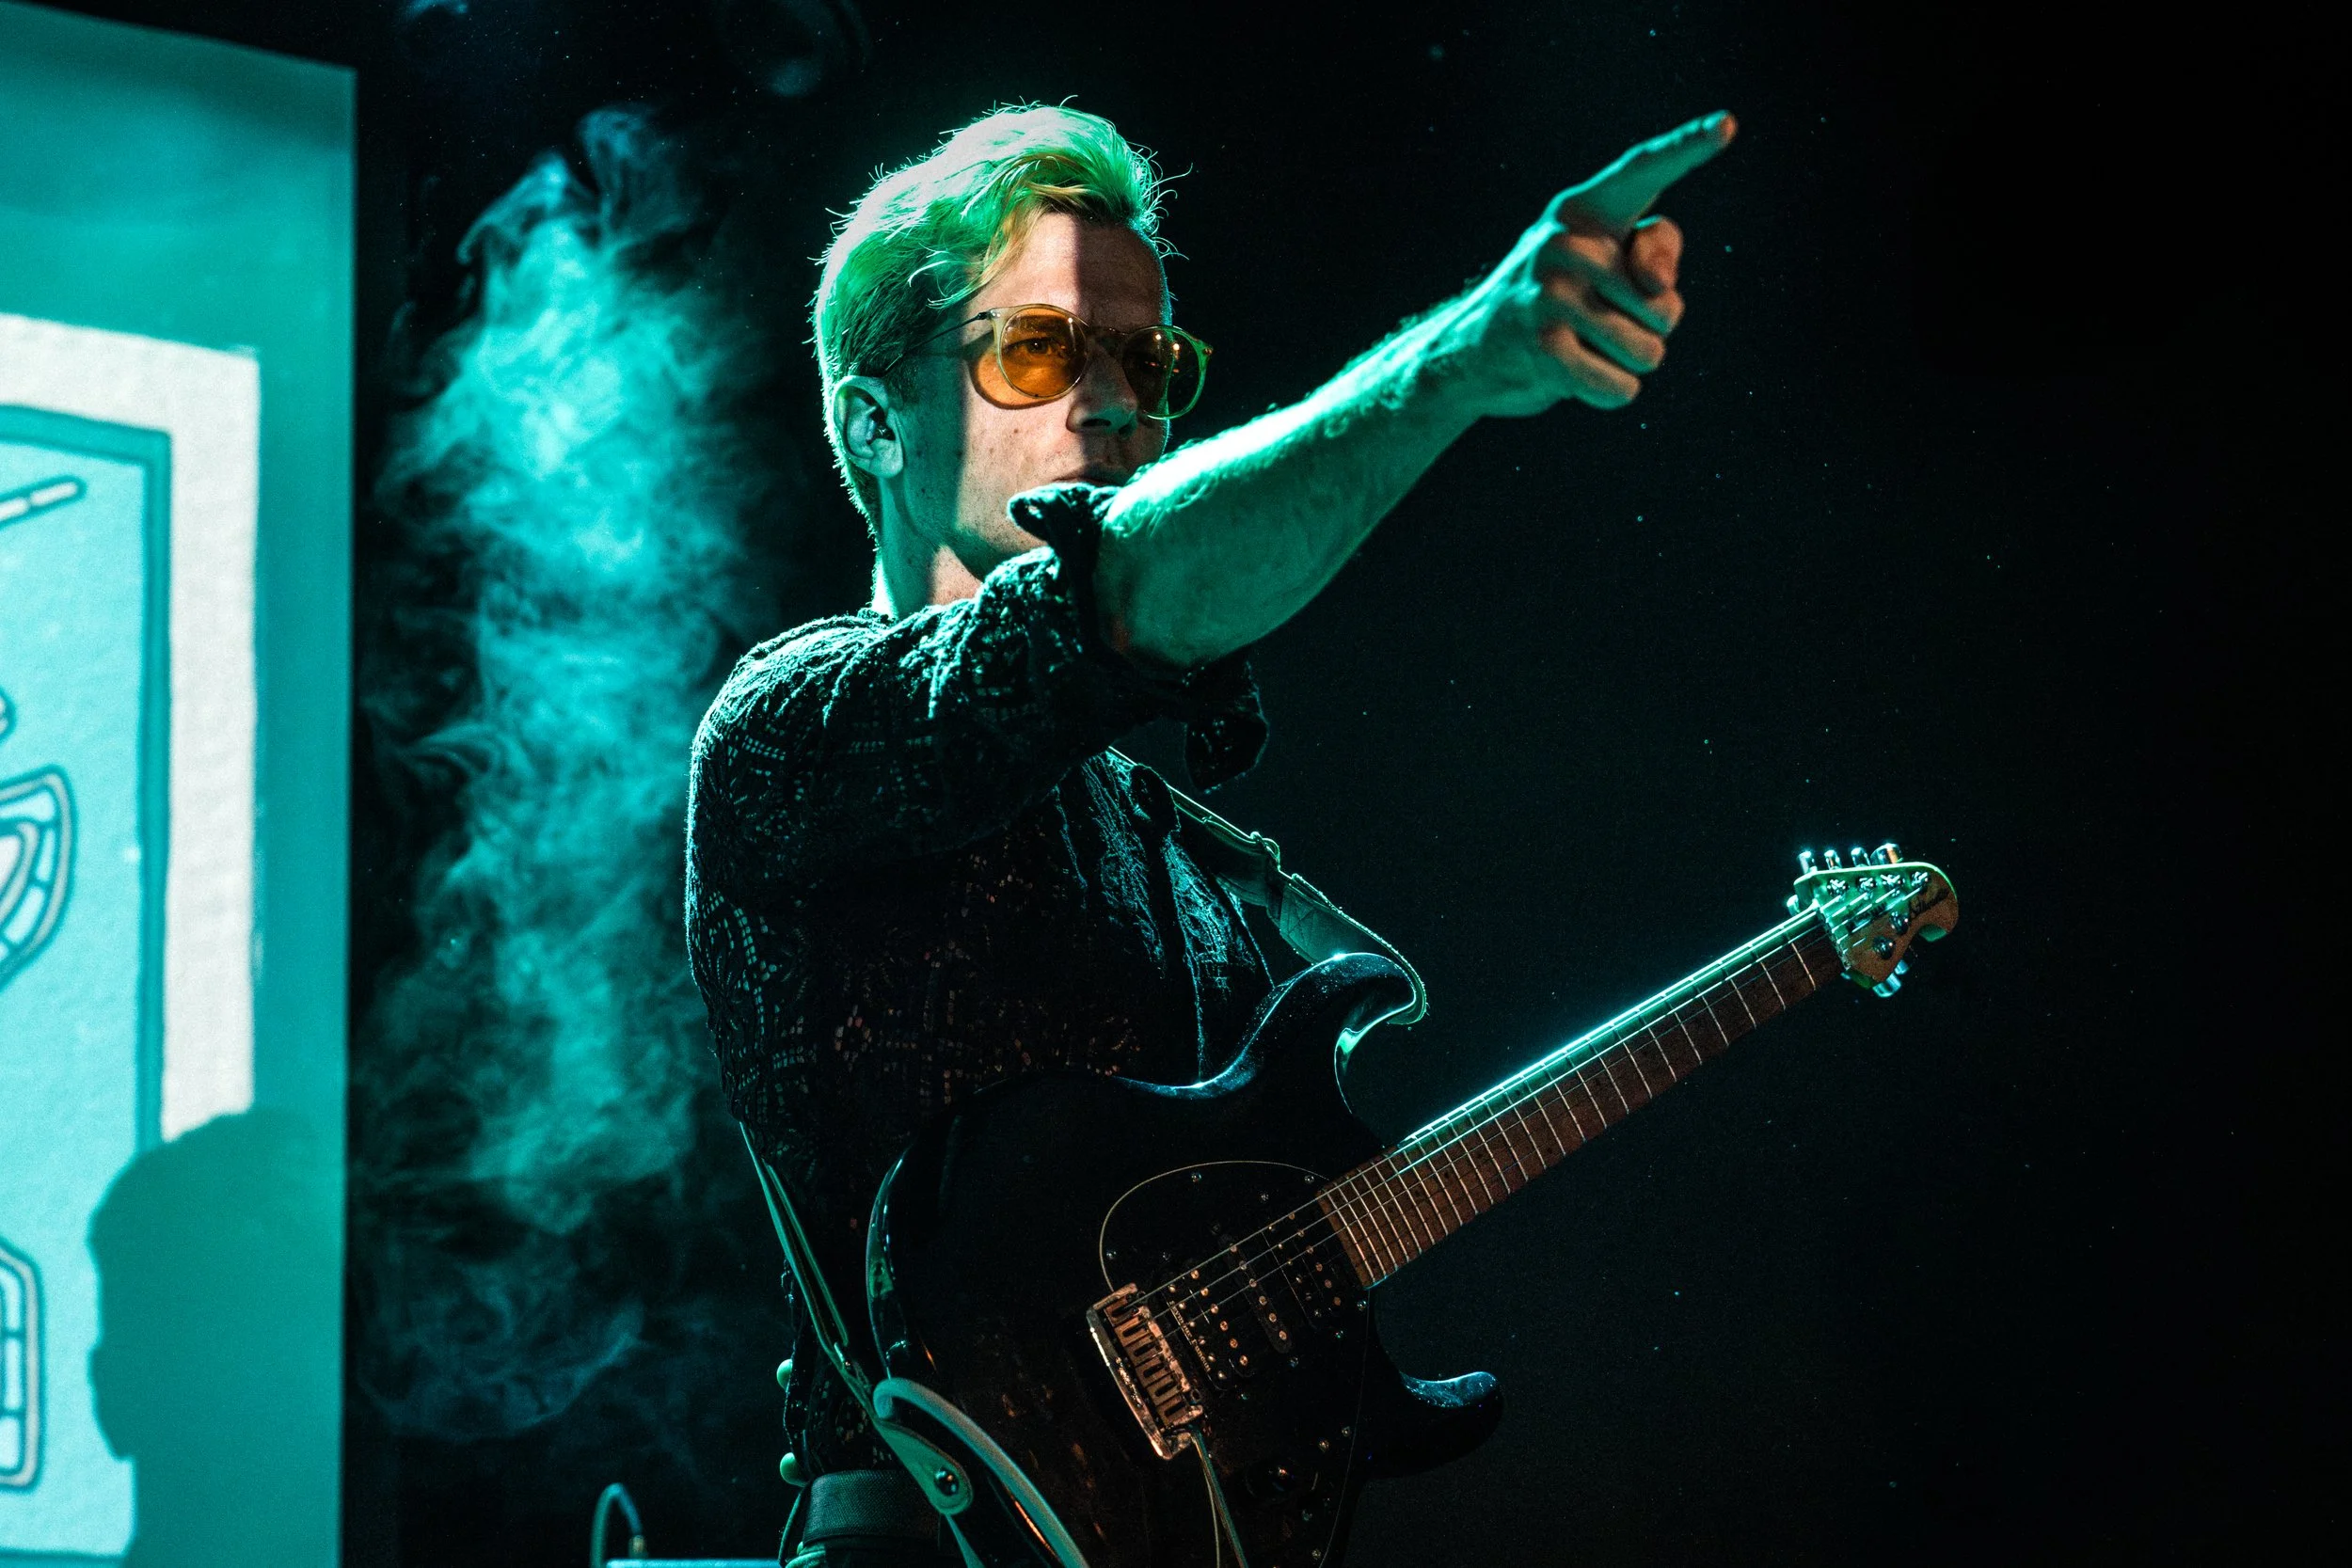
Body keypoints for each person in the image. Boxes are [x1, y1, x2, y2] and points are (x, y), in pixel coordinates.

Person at [685, 102, 1732, 1564]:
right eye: (1036, 348)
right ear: (876, 421)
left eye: (1144, 359)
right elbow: (1099, 608)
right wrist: (1466, 360)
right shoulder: (786, 730)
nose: (1111, 401)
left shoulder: (1188, 866)